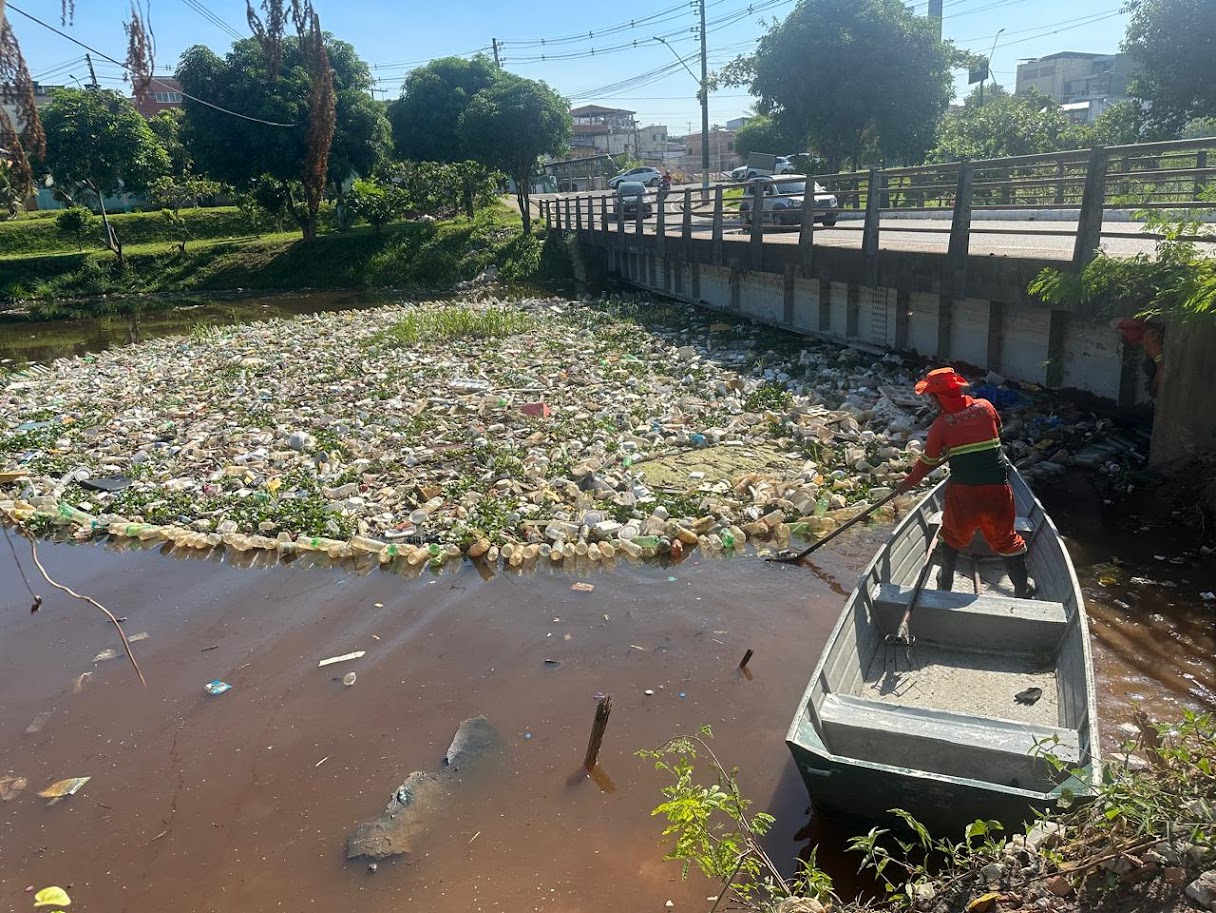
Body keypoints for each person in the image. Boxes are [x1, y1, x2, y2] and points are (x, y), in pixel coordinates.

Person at [896, 367, 1034, 599]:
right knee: (1007, 540)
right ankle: (1022, 589)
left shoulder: (941, 426)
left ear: (938, 397)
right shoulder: (986, 407)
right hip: (997, 491)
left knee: (951, 537)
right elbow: (996, 432)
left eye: (931, 396)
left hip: (963, 495)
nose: (931, 402)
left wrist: (907, 483)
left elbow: (929, 461)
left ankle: (945, 584)